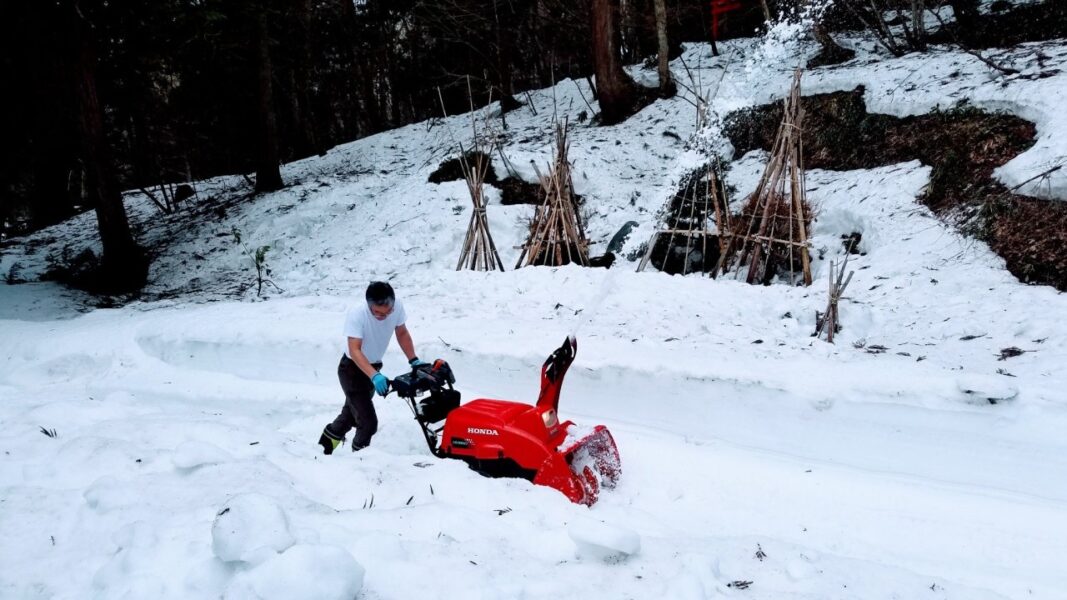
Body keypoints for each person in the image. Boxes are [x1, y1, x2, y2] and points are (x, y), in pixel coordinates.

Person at [318, 281, 425, 454]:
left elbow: (402, 332)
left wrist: (413, 359)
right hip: (352, 370)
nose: (383, 316)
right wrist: (374, 375)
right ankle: (361, 461)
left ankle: (321, 450)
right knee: (368, 423)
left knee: (350, 415)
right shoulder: (357, 313)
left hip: (373, 368)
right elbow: (354, 350)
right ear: (369, 305)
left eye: (387, 312)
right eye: (377, 313)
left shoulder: (397, 307)